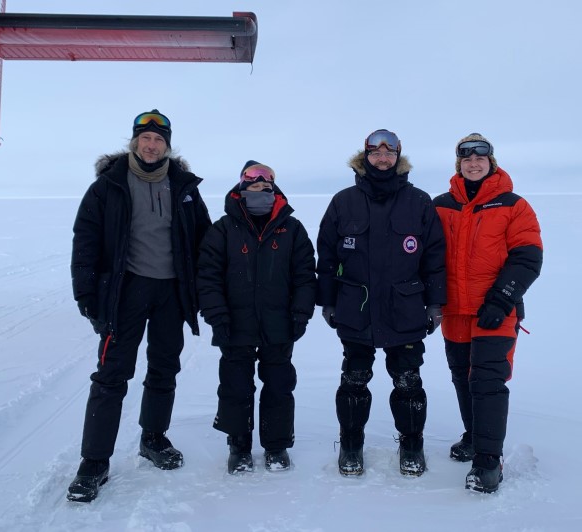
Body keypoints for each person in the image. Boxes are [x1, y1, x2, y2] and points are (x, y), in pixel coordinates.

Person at [67, 109, 212, 502]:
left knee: (164, 368)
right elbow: (86, 241)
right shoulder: (109, 185)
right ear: (134, 142)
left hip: (171, 294)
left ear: (168, 145)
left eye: (159, 140)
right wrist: (86, 294)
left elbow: (204, 239)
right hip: (125, 292)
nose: (151, 145)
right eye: (145, 138)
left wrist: (209, 288)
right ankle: (94, 463)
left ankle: (153, 438)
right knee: (111, 375)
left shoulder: (183, 187)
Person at [316, 129, 446, 477]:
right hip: (355, 308)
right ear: (366, 156)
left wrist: (435, 305)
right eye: (376, 152)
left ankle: (412, 444)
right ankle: (351, 444)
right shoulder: (344, 201)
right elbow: (326, 255)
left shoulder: (419, 201)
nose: (383, 158)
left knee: (408, 381)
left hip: (404, 309)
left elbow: (434, 257)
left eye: (389, 152)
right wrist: (327, 301)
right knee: (354, 379)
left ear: (398, 156)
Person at [432, 133, 543, 493]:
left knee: (488, 383)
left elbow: (527, 257)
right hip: (454, 312)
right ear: (459, 164)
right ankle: (474, 436)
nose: (474, 163)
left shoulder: (513, 205)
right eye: (467, 158)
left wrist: (501, 300)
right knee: (463, 379)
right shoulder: (441, 205)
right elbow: (427, 256)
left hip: (496, 312)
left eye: (481, 157)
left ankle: (487, 461)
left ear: (491, 162)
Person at [197, 161, 316, 474]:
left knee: (278, 385)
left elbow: (305, 275)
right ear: (241, 188)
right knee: (236, 385)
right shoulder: (223, 229)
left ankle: (276, 446)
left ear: (274, 189)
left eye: (267, 185)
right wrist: (217, 316)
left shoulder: (292, 229)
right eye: (254, 183)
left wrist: (300, 314)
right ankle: (239, 446)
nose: (261, 189)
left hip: (279, 325)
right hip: (234, 325)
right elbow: (208, 277)